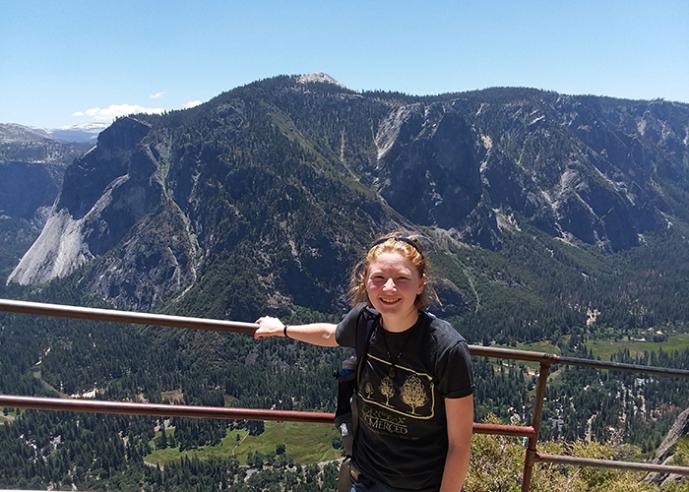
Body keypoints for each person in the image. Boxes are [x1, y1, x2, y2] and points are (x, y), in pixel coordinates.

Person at [255, 233, 474, 492]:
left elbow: (459, 444)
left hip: (423, 486)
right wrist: (283, 329)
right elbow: (331, 334)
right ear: (366, 281)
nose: (389, 288)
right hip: (367, 480)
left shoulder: (447, 348)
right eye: (378, 278)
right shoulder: (364, 321)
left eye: (402, 279)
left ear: (420, 283)